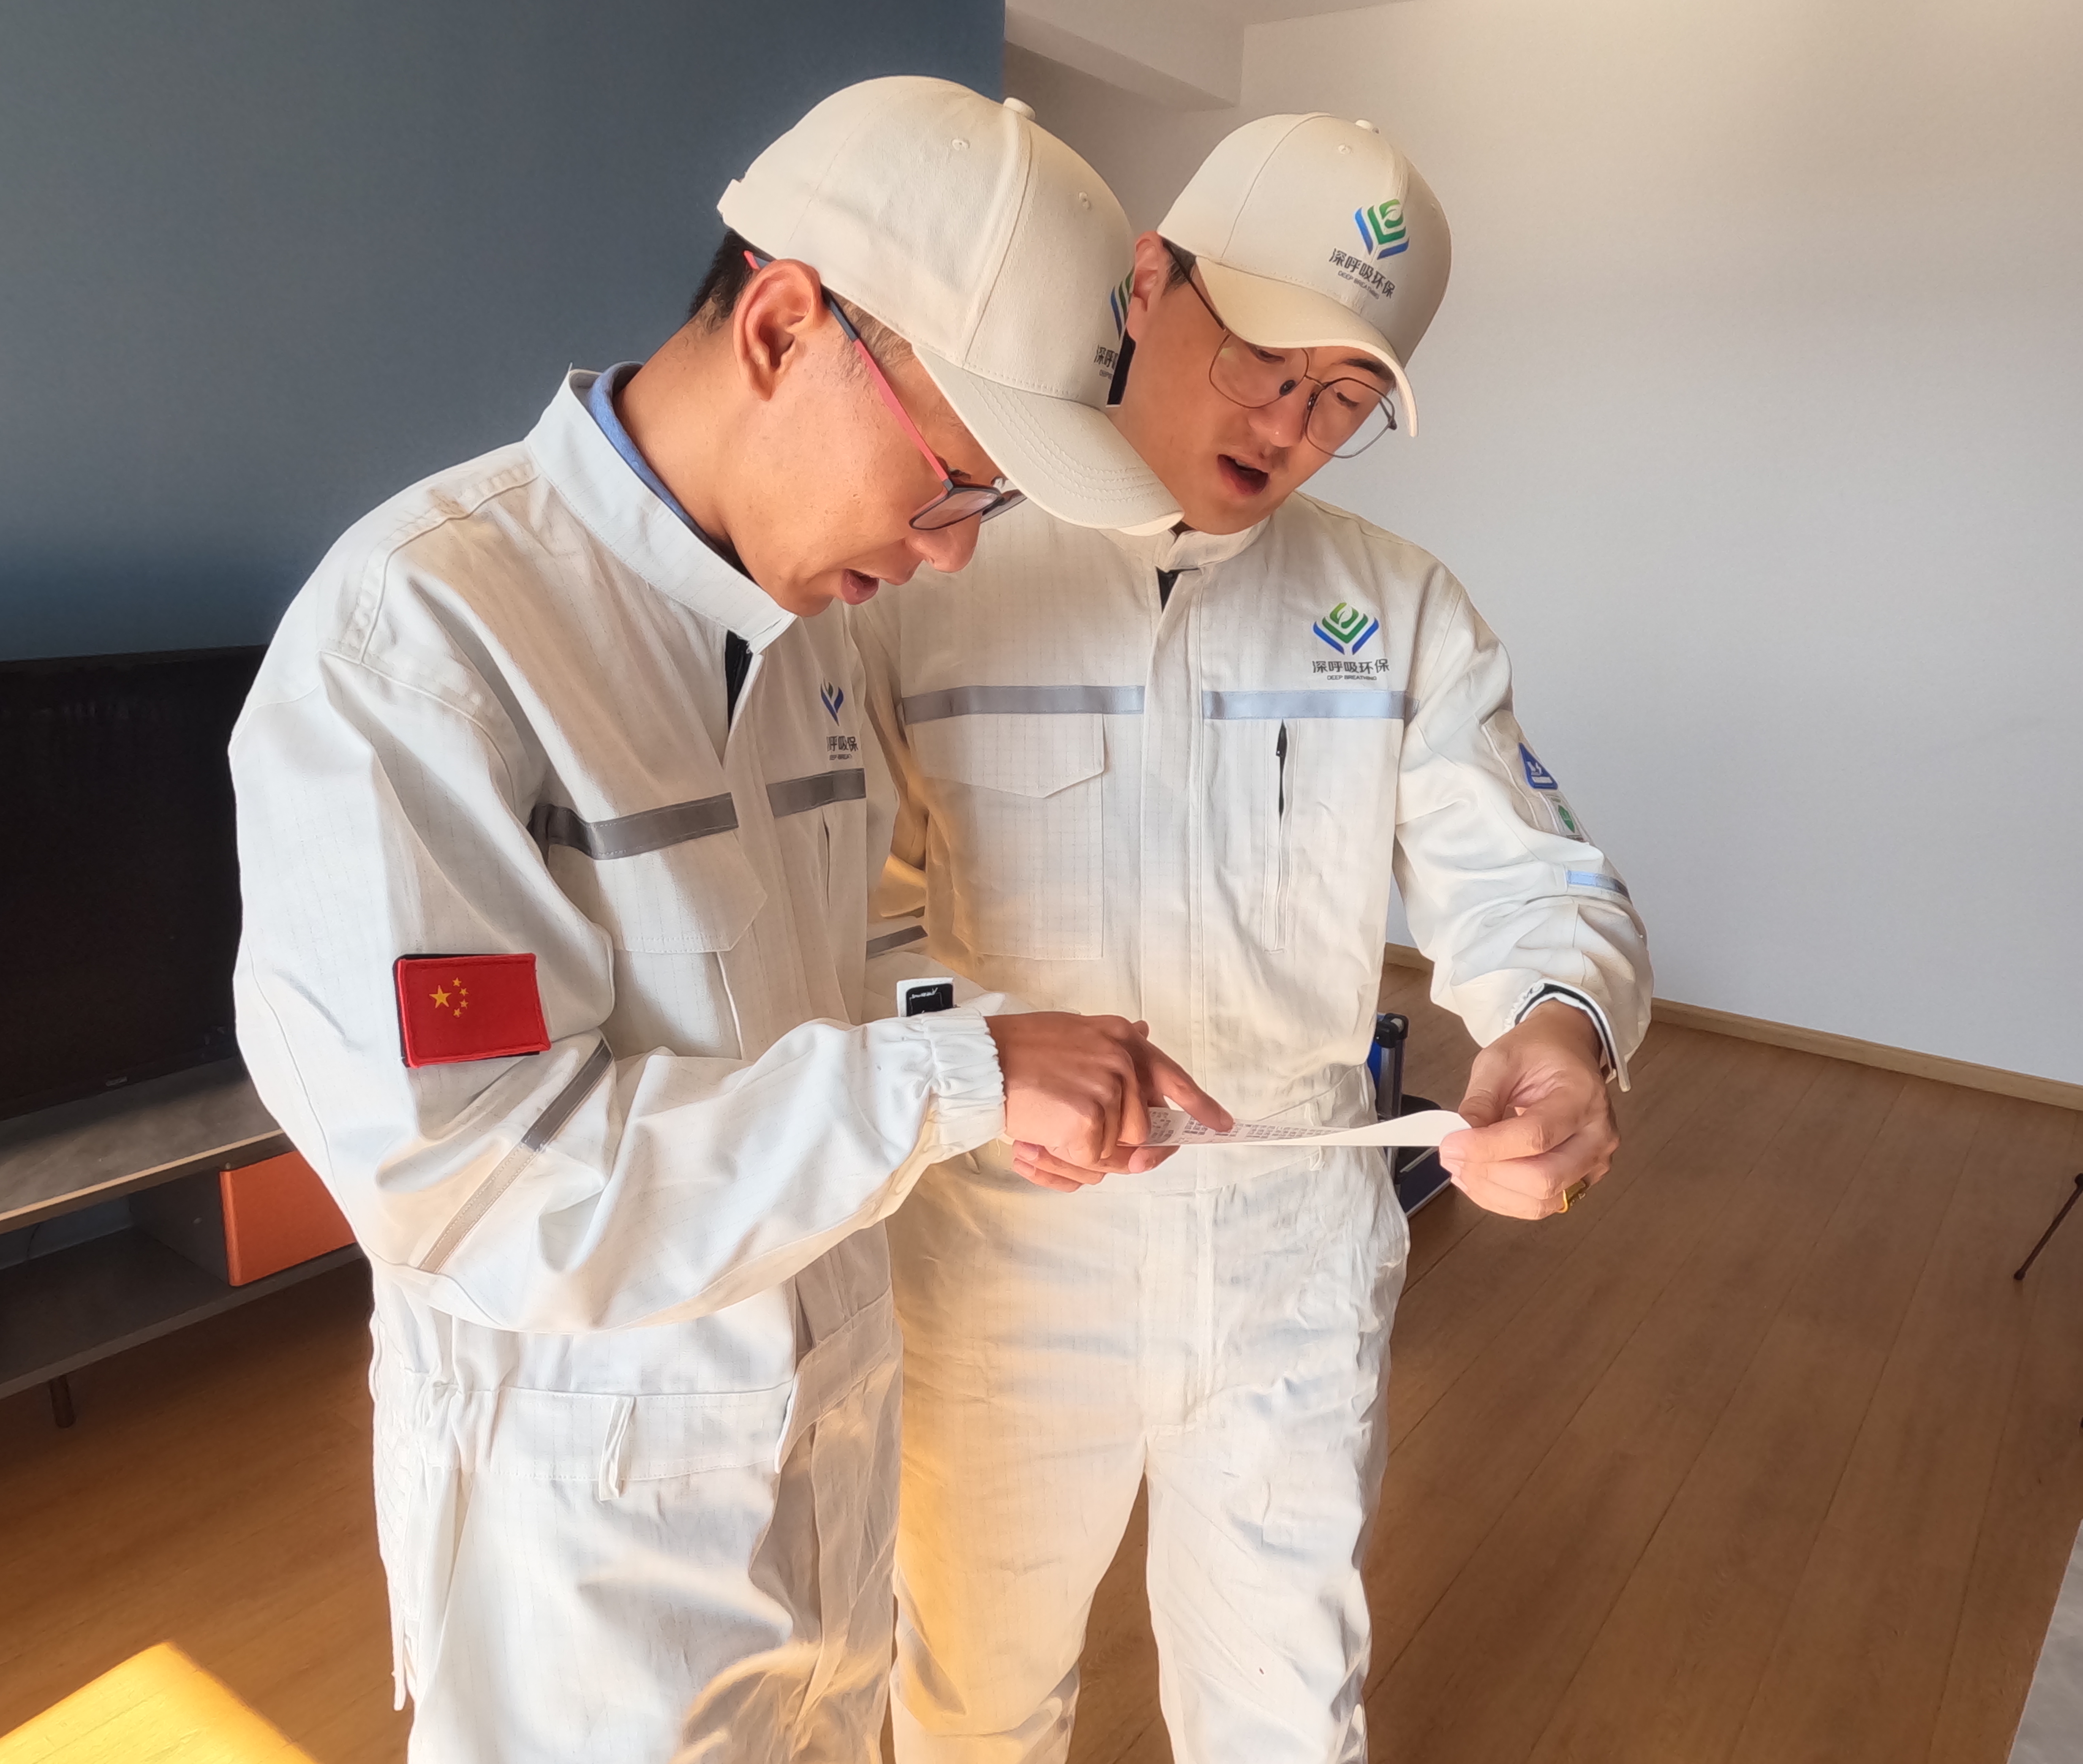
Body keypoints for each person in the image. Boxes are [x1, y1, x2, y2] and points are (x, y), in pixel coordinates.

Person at [230, 77, 1226, 1764]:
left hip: (823, 1466)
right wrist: (957, 1084)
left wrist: (998, 1049)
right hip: (587, 1546)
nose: (950, 556)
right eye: (955, 481)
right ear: (782, 328)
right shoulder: (424, 649)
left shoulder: (807, 637)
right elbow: (487, 1184)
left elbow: (846, 972)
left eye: (987, 507)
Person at [851, 113, 1654, 1761]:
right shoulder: (939, 572)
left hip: (1293, 1243)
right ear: (1151, 285)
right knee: (969, 1701)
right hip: (1005, 1244)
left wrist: (1560, 1028)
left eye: (1344, 397)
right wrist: (979, 1054)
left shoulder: (1398, 608)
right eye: (1265, 362)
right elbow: (838, 920)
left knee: (1288, 1709)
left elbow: (1534, 880)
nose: (1290, 425)